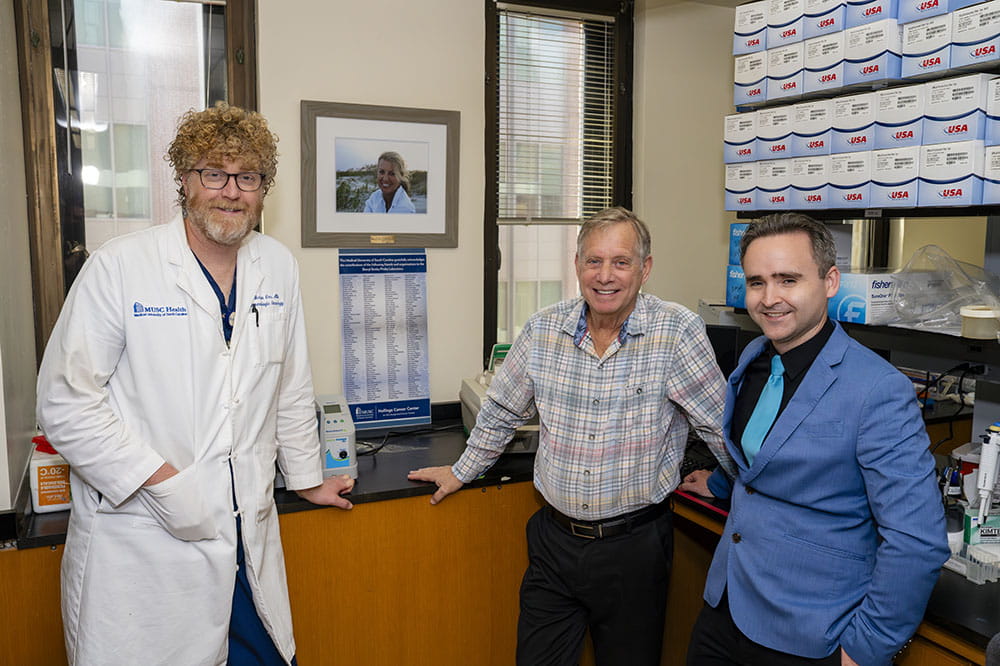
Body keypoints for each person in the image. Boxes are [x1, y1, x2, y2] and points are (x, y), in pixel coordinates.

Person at [36, 103, 355, 666]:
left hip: (245, 541)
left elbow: (290, 386)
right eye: (213, 173)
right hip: (143, 545)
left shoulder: (276, 266)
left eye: (248, 177)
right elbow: (65, 403)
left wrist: (306, 477)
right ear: (184, 180)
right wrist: (164, 486)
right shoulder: (121, 267)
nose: (231, 192)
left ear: (263, 189)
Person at [409, 207, 735, 666]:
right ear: (576, 264)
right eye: (593, 261)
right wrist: (462, 471)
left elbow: (720, 427)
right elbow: (502, 409)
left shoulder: (677, 331)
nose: (605, 276)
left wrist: (741, 487)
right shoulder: (543, 329)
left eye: (621, 262)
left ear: (645, 268)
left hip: (634, 549)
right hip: (553, 542)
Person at [680, 213, 949, 666]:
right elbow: (768, 463)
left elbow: (917, 540)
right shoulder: (754, 358)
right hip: (725, 606)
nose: (769, 299)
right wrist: (723, 484)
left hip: (809, 633)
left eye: (788, 279)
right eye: (757, 282)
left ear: (830, 281)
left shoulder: (877, 390)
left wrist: (865, 649)